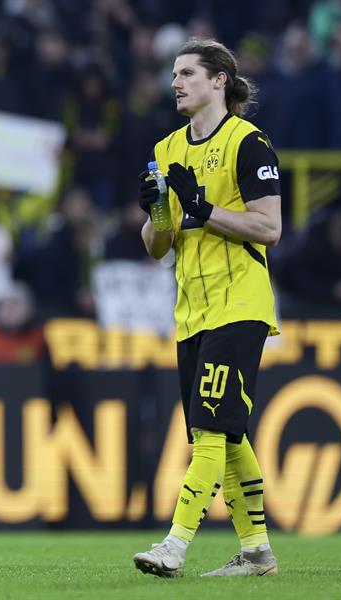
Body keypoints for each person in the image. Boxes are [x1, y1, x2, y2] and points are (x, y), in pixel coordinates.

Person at [132, 39, 282, 578]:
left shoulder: (249, 143)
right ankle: (257, 552)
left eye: (187, 72)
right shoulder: (166, 148)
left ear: (220, 80)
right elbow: (157, 245)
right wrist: (155, 211)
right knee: (222, 433)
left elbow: (270, 228)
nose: (175, 82)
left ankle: (174, 544)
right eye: (173, 74)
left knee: (210, 430)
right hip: (191, 311)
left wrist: (205, 208)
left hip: (239, 304)